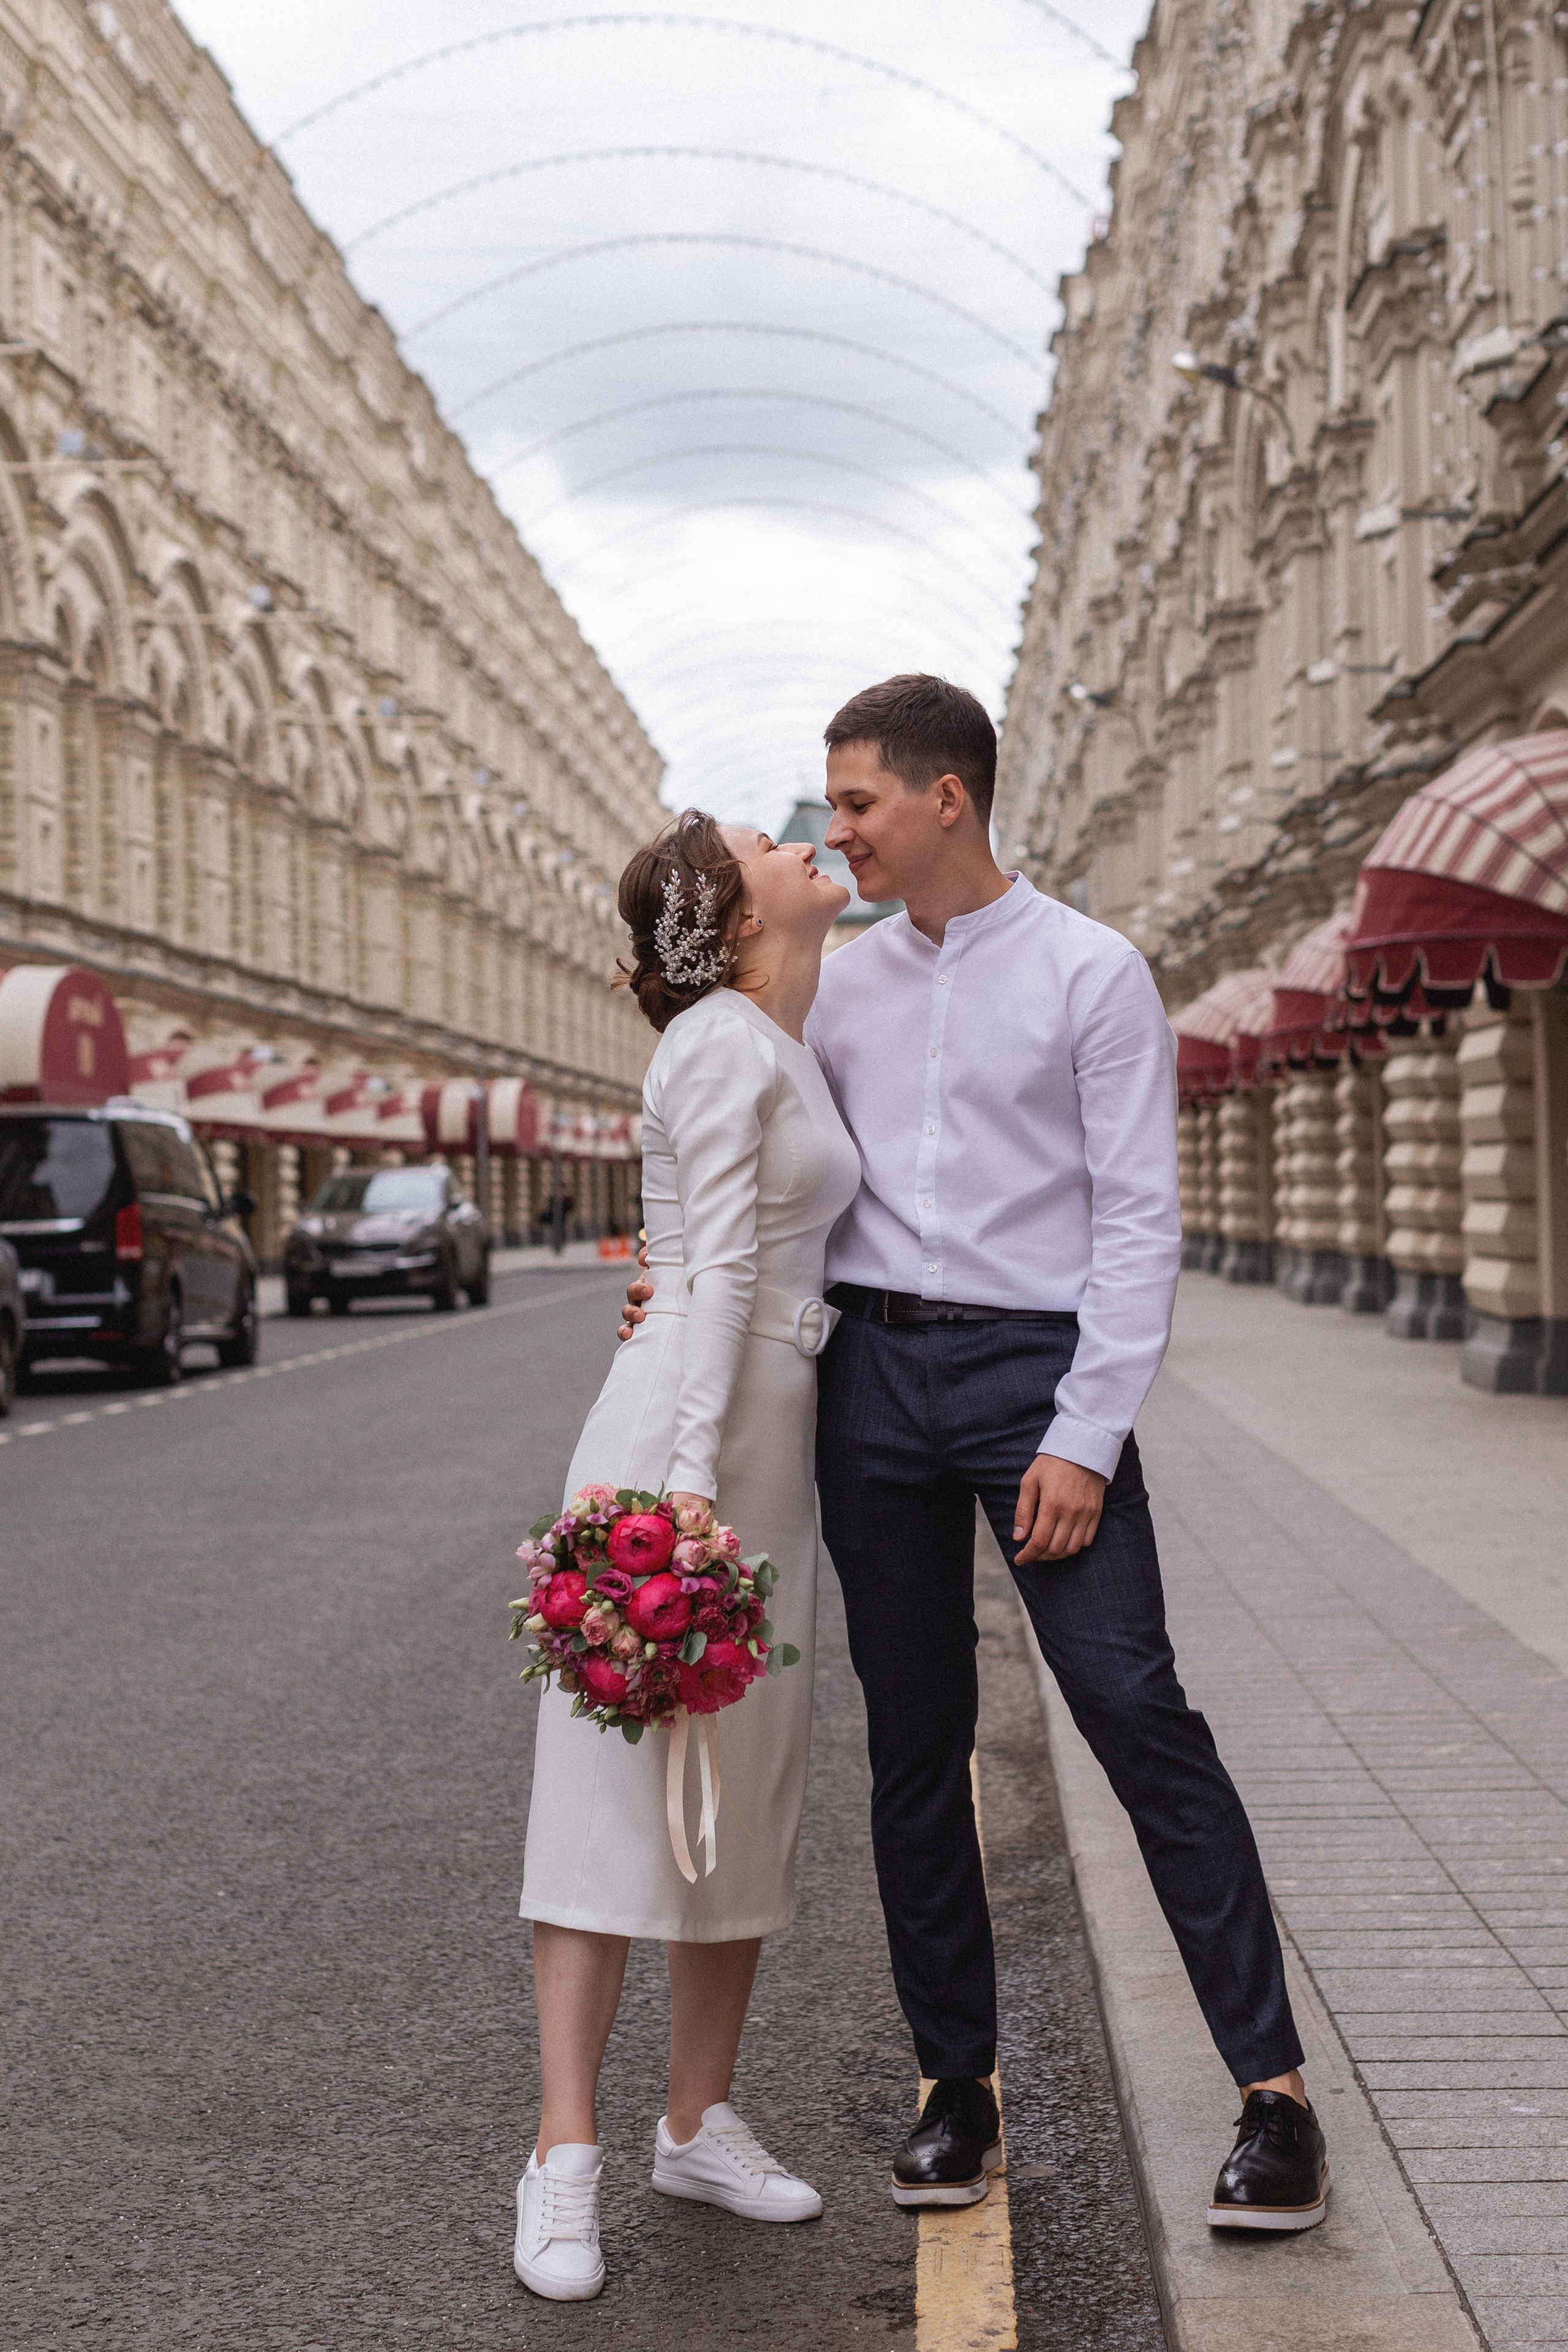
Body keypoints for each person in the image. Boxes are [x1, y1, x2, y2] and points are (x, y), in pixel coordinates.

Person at [624, 675, 1330, 2234]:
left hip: (1032, 1375)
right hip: (870, 1376)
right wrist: (668, 1288)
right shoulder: (838, 986)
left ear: (948, 798)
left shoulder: (1091, 972)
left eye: (859, 800)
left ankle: (1273, 2103)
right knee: (912, 1748)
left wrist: (1084, 1430)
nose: (838, 828)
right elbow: (756, 1160)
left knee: (1136, 1711)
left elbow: (1140, 1220)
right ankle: (957, 2089)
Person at [514, 810, 862, 2301]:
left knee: (745, 1779)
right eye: (764, 841)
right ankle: (562, 2159)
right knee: (609, 1795)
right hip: (686, 1441)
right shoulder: (719, 1037)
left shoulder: (795, 1029)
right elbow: (714, 1266)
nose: (803, 836)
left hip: (769, 1444)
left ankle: (694, 2123)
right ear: (724, 919)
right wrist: (684, 1487)